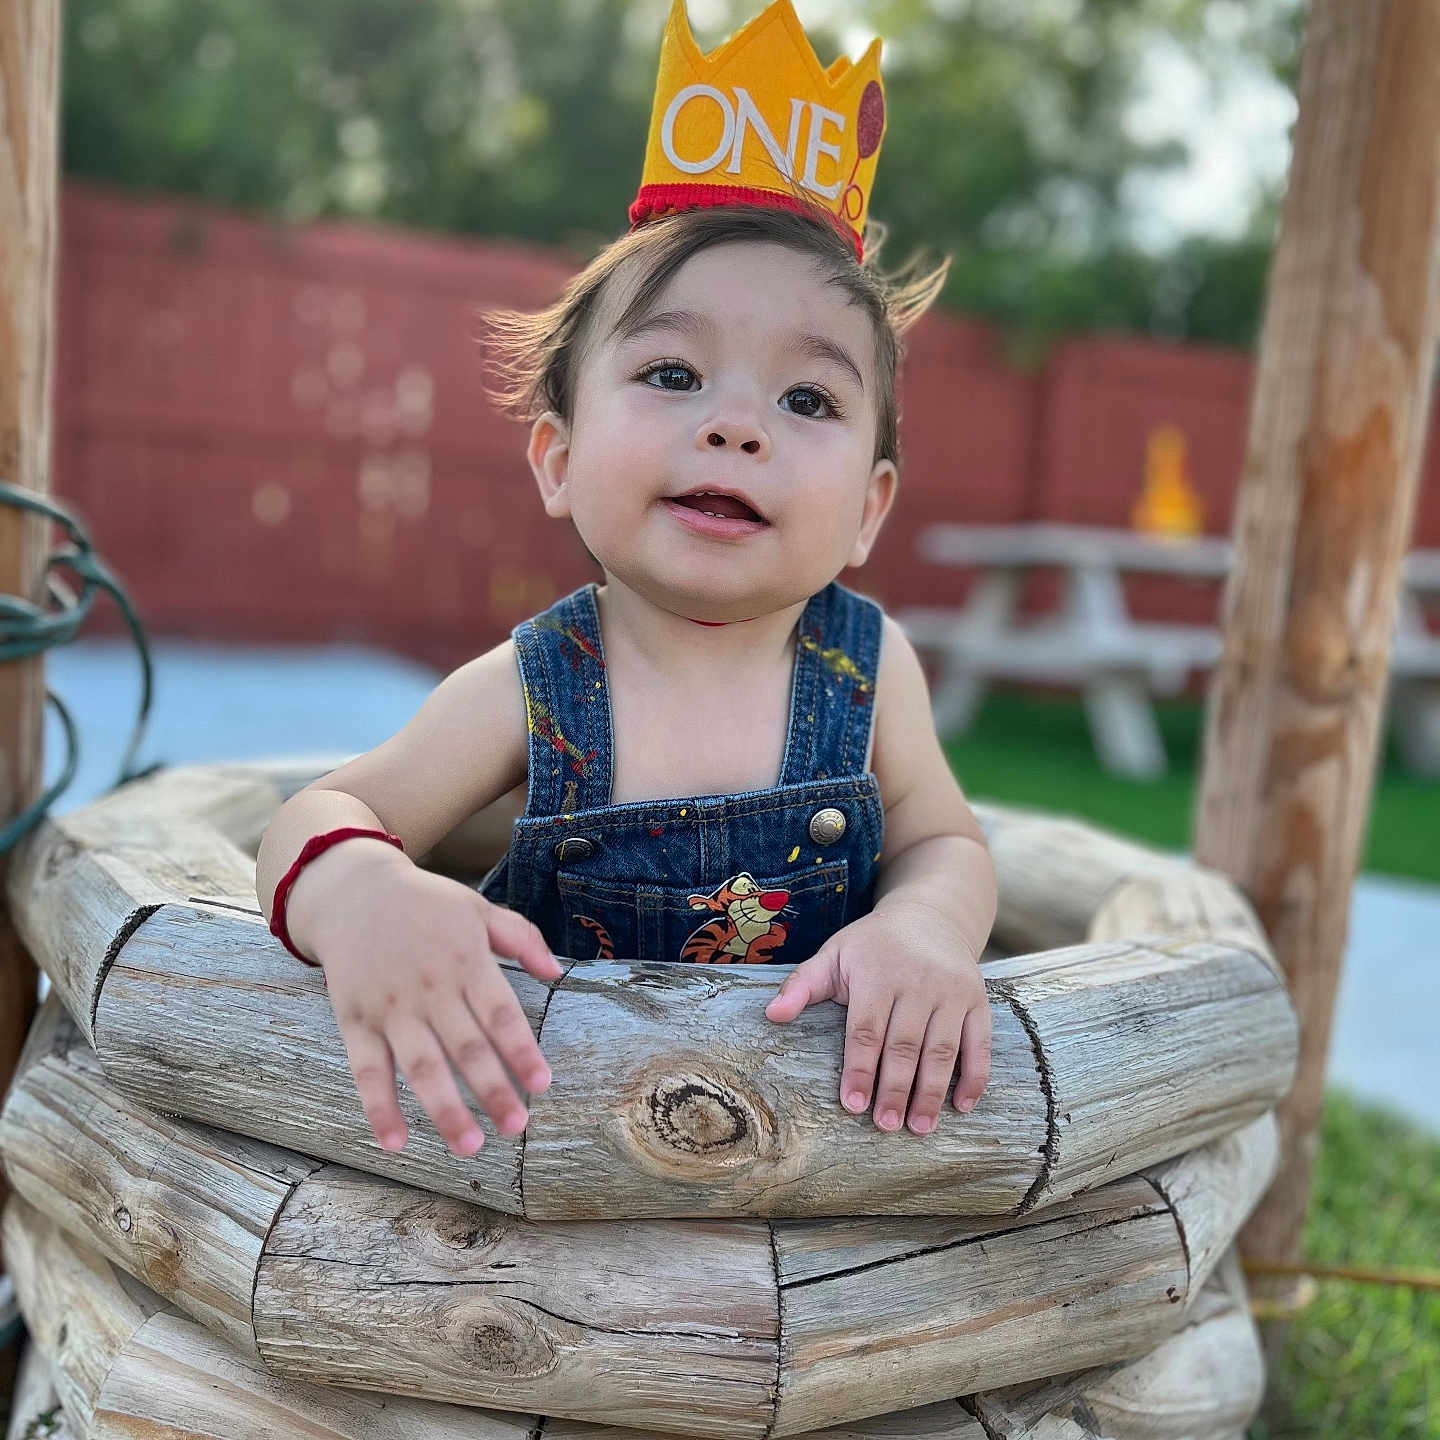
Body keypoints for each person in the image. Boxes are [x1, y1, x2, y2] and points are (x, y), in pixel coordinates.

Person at [256, 0, 997, 1164]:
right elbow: (323, 811)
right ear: (556, 459)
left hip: (808, 1187)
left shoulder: (868, 669)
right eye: (672, 371)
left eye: (808, 399)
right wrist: (363, 894)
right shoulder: (540, 685)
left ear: (868, 510)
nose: (737, 428)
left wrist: (924, 928)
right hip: (558, 1173)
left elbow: (944, 843)